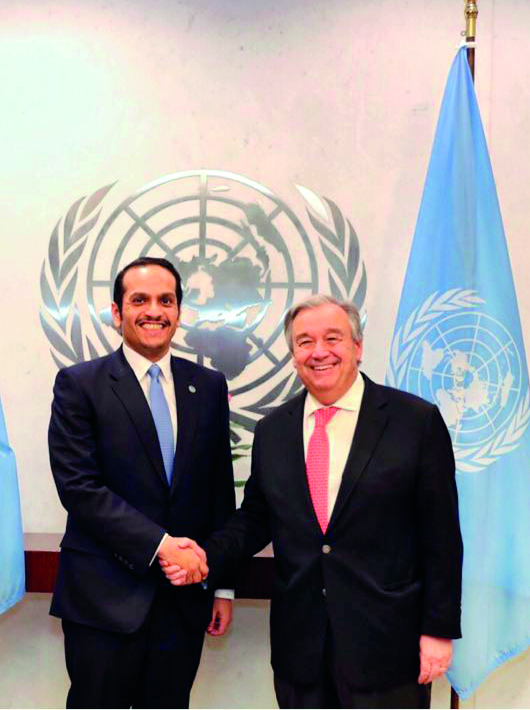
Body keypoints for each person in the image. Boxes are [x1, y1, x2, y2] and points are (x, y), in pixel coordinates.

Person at [165, 294, 463, 708]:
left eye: (332, 338)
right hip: (300, 649)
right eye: (305, 342)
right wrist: (203, 555)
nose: (319, 351)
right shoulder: (273, 430)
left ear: (357, 347)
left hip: (388, 648)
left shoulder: (415, 421)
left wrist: (437, 631)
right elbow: (255, 519)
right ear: (293, 355)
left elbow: (442, 536)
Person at [48, 256, 235, 708]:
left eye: (166, 300)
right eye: (140, 300)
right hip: (103, 599)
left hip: (183, 601)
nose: (155, 310)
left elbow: (218, 492)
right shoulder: (80, 385)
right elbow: (79, 488)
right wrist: (162, 545)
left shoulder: (207, 386)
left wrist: (223, 586)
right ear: (117, 312)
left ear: (178, 311)